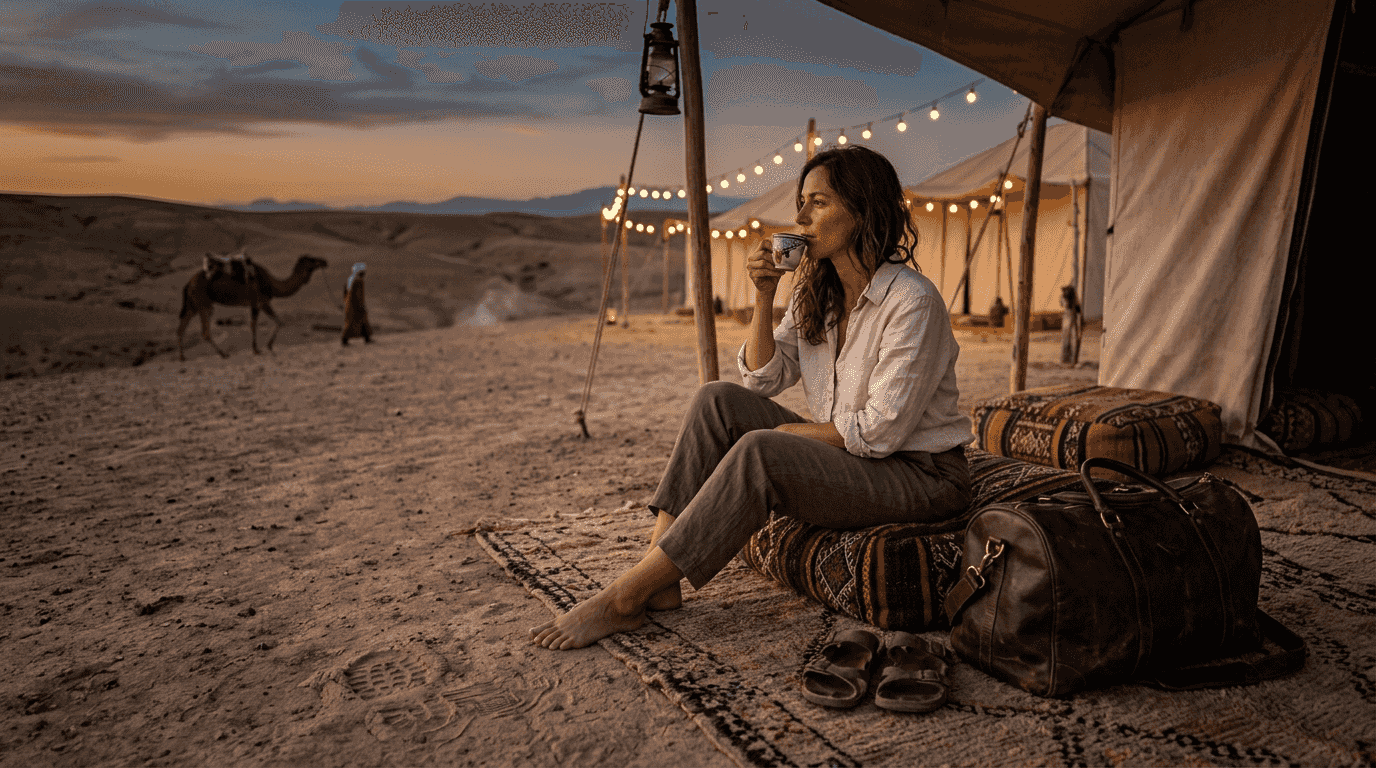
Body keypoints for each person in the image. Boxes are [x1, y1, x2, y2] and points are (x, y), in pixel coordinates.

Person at [531, 145, 973, 650]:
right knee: (716, 399)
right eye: (800, 203)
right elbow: (762, 378)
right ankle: (660, 569)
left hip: (922, 475)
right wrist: (765, 294)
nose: (801, 217)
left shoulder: (912, 301)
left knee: (762, 450)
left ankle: (623, 599)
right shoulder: (818, 293)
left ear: (863, 210)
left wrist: (784, 436)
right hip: (862, 454)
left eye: (819, 203)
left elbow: (879, 430)